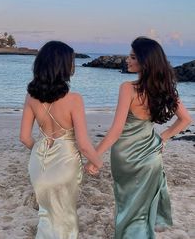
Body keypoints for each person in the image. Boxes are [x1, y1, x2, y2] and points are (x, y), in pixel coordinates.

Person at [85, 37, 192, 238]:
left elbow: (116, 131)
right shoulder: (165, 88)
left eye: (133, 56)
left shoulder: (128, 88)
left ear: (145, 61)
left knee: (126, 205)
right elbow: (186, 119)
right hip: (151, 155)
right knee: (142, 211)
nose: (127, 59)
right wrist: (164, 137)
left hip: (125, 157)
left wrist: (94, 157)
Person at [20, 40, 102, 238]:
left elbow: (24, 137)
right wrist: (97, 162)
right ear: (62, 66)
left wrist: (40, 151)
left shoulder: (31, 97)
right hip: (66, 162)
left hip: (38, 162)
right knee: (65, 217)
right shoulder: (74, 99)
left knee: (46, 214)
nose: (73, 66)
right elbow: (83, 144)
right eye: (71, 61)